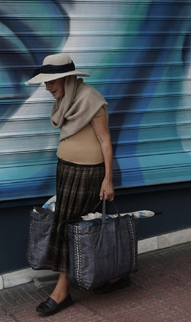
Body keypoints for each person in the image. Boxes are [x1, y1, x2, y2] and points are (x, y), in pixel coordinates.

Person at [26, 53, 130, 317]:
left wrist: (108, 179)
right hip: (66, 171)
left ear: (67, 79)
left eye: (52, 82)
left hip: (87, 175)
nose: (48, 88)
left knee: (70, 228)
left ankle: (62, 292)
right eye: (46, 83)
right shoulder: (65, 101)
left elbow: (105, 140)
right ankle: (113, 275)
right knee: (73, 227)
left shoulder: (91, 100)